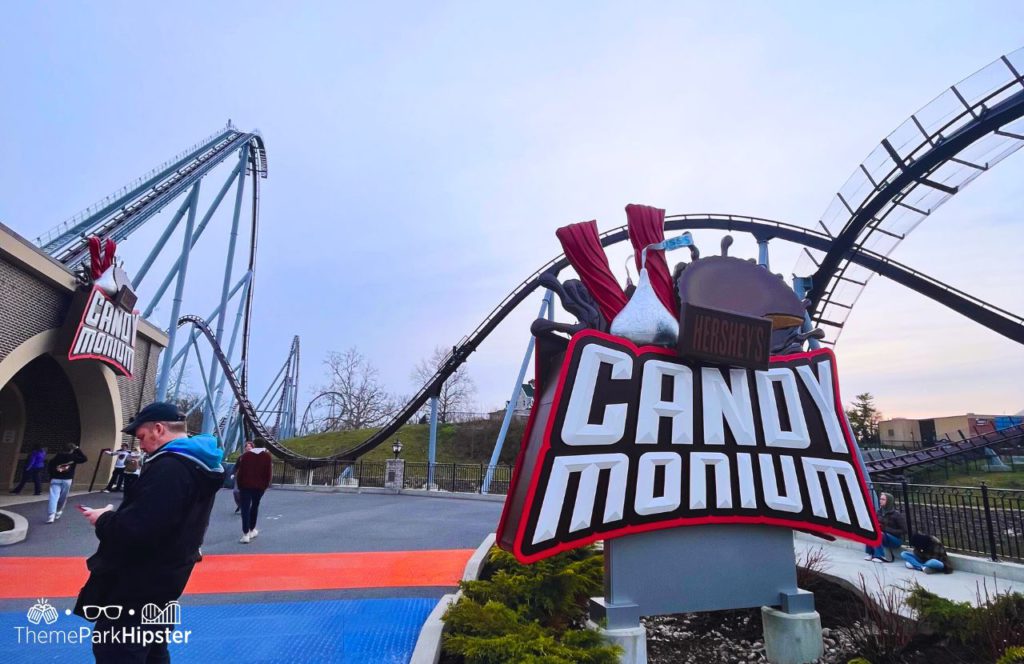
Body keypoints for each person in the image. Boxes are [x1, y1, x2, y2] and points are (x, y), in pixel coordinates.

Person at [74, 402, 224, 664]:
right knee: (154, 651)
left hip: (136, 586)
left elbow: (137, 531)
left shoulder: (171, 469)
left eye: (142, 437)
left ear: (158, 429)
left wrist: (104, 519)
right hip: (165, 583)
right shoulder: (199, 466)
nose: (140, 445)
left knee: (118, 652)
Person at [234, 441, 272, 544]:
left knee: (245, 509)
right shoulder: (267, 456)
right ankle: (252, 529)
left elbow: (241, 472)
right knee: (254, 507)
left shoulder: (246, 456)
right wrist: (264, 486)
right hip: (259, 487)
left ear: (254, 445)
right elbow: (268, 473)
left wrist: (240, 485)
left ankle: (245, 534)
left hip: (245, 486)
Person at [46, 443, 87, 523]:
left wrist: (52, 476)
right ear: (72, 450)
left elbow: (50, 466)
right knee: (63, 497)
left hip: (55, 479)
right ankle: (58, 511)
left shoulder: (57, 457)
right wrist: (78, 449)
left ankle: (51, 515)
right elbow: (84, 459)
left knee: (53, 497)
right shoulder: (73, 457)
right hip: (67, 479)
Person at [864, 492, 907, 562]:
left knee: (879, 534)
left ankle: (879, 556)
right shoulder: (879, 512)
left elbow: (904, 530)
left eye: (883, 499)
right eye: (880, 499)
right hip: (883, 537)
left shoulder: (896, 515)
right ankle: (870, 553)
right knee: (871, 531)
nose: (880, 501)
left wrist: (885, 529)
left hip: (895, 540)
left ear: (889, 501)